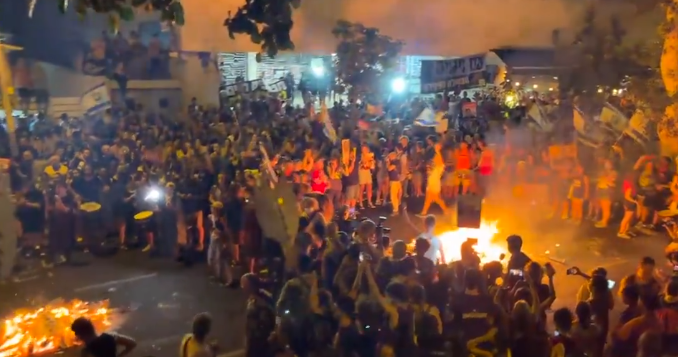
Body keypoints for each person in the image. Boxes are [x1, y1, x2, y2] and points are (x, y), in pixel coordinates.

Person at [71, 317, 137, 357]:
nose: (76, 335)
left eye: (77, 333)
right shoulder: (110, 337)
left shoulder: (87, 351)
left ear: (82, 333)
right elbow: (132, 343)